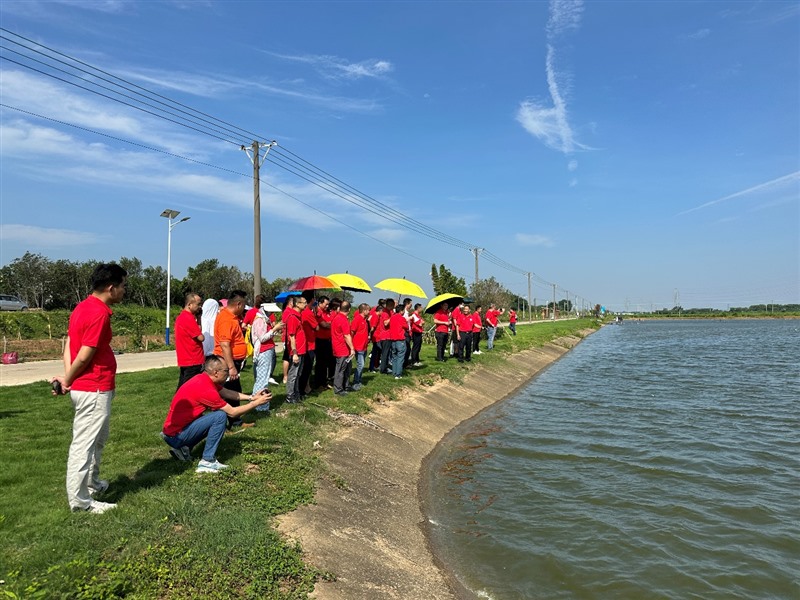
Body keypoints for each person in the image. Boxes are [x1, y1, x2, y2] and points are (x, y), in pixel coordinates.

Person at [51, 263, 127, 514]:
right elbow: (84, 354)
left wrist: (67, 378)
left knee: (97, 440)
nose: (124, 291)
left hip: (93, 387)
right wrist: (68, 379)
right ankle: (81, 501)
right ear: (111, 287)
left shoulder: (82, 307)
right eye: (123, 286)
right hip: (93, 388)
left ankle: (92, 483)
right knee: (83, 444)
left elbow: (69, 343)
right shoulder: (98, 313)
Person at [161, 355, 271, 473]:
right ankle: (207, 462)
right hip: (176, 436)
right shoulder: (206, 389)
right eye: (226, 371)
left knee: (211, 418)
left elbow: (227, 392)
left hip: (172, 433)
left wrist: (252, 398)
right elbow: (233, 413)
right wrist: (256, 404)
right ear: (216, 372)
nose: (228, 373)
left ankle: (183, 449)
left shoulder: (203, 378)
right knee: (220, 417)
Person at [213, 290, 248, 425]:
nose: (244, 308)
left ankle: (234, 420)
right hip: (228, 362)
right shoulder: (227, 319)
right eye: (244, 305)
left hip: (233, 361)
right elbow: (225, 345)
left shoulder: (231, 317)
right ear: (238, 304)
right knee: (230, 392)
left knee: (234, 390)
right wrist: (231, 367)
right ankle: (233, 421)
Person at [250, 302, 283, 412]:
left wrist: (273, 330)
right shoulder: (259, 320)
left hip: (267, 350)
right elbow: (262, 338)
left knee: (263, 377)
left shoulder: (264, 320)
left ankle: (257, 403)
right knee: (262, 379)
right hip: (263, 351)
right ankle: (260, 406)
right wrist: (274, 329)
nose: (271, 314)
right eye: (270, 312)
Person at [174, 292, 205, 390]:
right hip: (193, 360)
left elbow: (197, 330)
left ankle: (176, 405)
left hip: (186, 359)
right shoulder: (188, 318)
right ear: (189, 305)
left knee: (183, 387)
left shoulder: (182, 317)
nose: (200, 307)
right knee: (189, 390)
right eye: (198, 304)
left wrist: (199, 318)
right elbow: (201, 337)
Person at [284, 295, 307, 403]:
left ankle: (296, 394)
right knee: (293, 375)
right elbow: (292, 337)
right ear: (297, 304)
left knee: (298, 374)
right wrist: (294, 353)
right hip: (296, 351)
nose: (306, 304)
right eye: (304, 302)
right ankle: (290, 396)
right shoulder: (292, 317)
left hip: (301, 350)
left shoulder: (298, 316)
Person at [331, 299, 356, 395]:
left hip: (340, 347)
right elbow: (346, 335)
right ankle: (338, 389)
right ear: (349, 309)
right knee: (341, 369)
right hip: (342, 348)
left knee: (347, 368)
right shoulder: (343, 320)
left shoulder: (337, 318)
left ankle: (346, 385)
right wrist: (352, 348)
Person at [299, 293, 319, 396]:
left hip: (304, 343)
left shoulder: (301, 312)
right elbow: (317, 327)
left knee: (303, 368)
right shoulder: (308, 313)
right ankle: (302, 390)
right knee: (307, 368)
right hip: (309, 343)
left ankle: (306, 387)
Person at [313, 296, 333, 389]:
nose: (327, 306)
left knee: (325, 362)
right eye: (326, 304)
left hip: (327, 339)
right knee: (320, 363)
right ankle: (319, 382)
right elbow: (324, 324)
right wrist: (331, 324)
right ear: (320, 303)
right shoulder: (318, 312)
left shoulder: (326, 312)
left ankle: (324, 381)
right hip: (320, 340)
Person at [350, 303, 370, 390]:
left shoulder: (365, 320)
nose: (369, 311)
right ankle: (356, 382)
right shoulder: (357, 319)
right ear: (364, 310)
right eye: (368, 310)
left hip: (364, 346)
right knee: (360, 365)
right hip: (358, 346)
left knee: (361, 364)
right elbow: (352, 331)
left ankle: (359, 380)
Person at [388, 304, 407, 379]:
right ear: (401, 311)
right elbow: (406, 326)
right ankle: (398, 374)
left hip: (393, 339)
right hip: (400, 339)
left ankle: (394, 372)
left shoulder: (392, 317)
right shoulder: (402, 318)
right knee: (400, 357)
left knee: (394, 356)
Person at [379, 298, 396, 374]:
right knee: (385, 353)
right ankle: (383, 369)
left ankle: (385, 367)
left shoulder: (389, 312)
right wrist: (392, 317)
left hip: (389, 335)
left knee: (387, 353)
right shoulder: (385, 312)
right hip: (385, 336)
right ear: (391, 305)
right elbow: (386, 323)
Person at [368, 299, 385, 372]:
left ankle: (373, 366)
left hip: (377, 336)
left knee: (377, 352)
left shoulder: (375, 316)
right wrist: (370, 335)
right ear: (380, 310)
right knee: (377, 352)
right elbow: (372, 327)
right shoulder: (375, 316)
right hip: (376, 337)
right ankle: (372, 367)